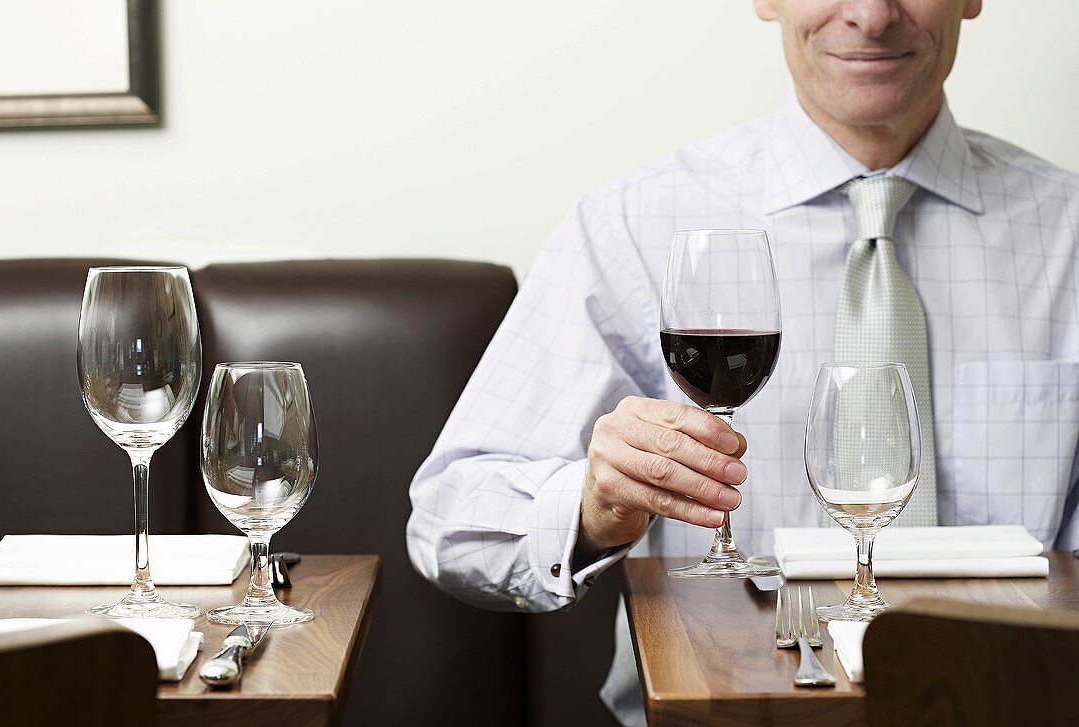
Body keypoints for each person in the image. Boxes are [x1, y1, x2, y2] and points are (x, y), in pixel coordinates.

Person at [408, 1, 1079, 724]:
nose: (872, 15)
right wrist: (591, 505)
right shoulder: (633, 225)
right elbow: (450, 516)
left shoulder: (1069, 233)